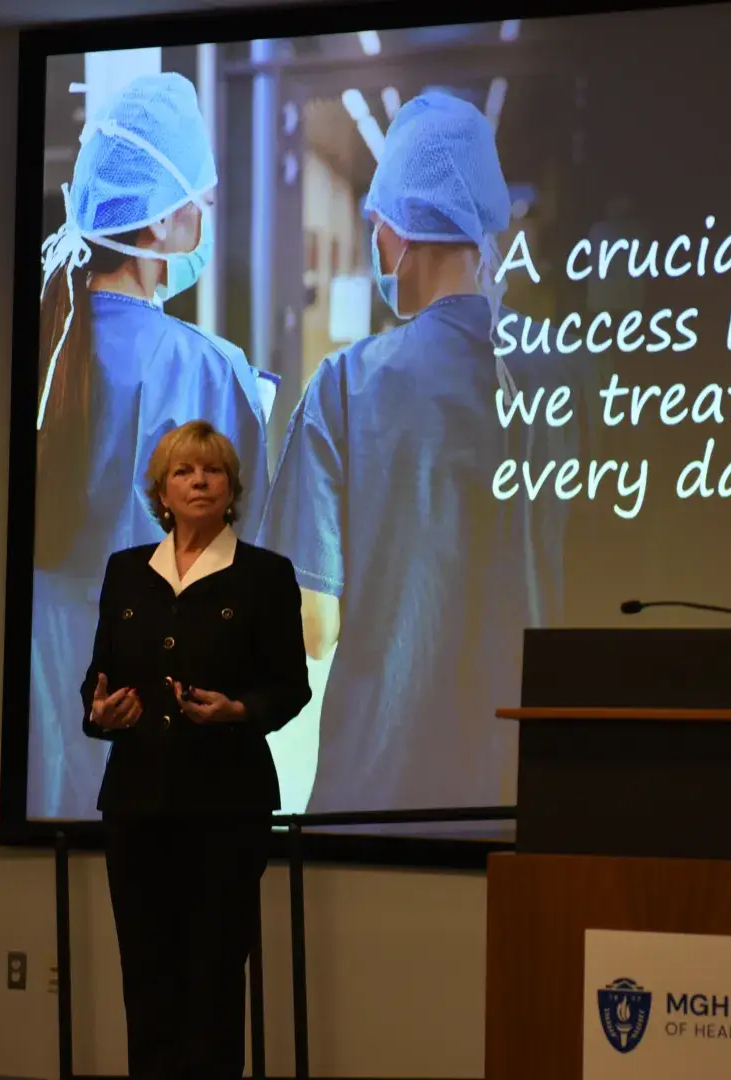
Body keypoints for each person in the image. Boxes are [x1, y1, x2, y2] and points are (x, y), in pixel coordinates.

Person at [254, 91, 582, 813]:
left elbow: (313, 628)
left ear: (399, 231)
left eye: (375, 225)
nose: (376, 245)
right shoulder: (565, 379)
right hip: (529, 776)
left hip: (381, 784)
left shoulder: (345, 386)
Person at [30, 71, 276, 819]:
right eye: (197, 202)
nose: (205, 215)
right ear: (161, 223)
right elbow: (253, 541)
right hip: (172, 717)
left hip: (45, 699)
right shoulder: (210, 368)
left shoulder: (39, 351)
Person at [82, 419, 310, 1080]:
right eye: (184, 472)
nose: (199, 481)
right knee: (146, 974)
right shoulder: (128, 572)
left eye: (212, 471)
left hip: (226, 806)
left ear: (232, 487)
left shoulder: (264, 575)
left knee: (212, 975)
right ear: (162, 490)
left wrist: (241, 710)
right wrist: (100, 713)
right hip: (136, 804)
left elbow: (290, 686)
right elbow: (97, 678)